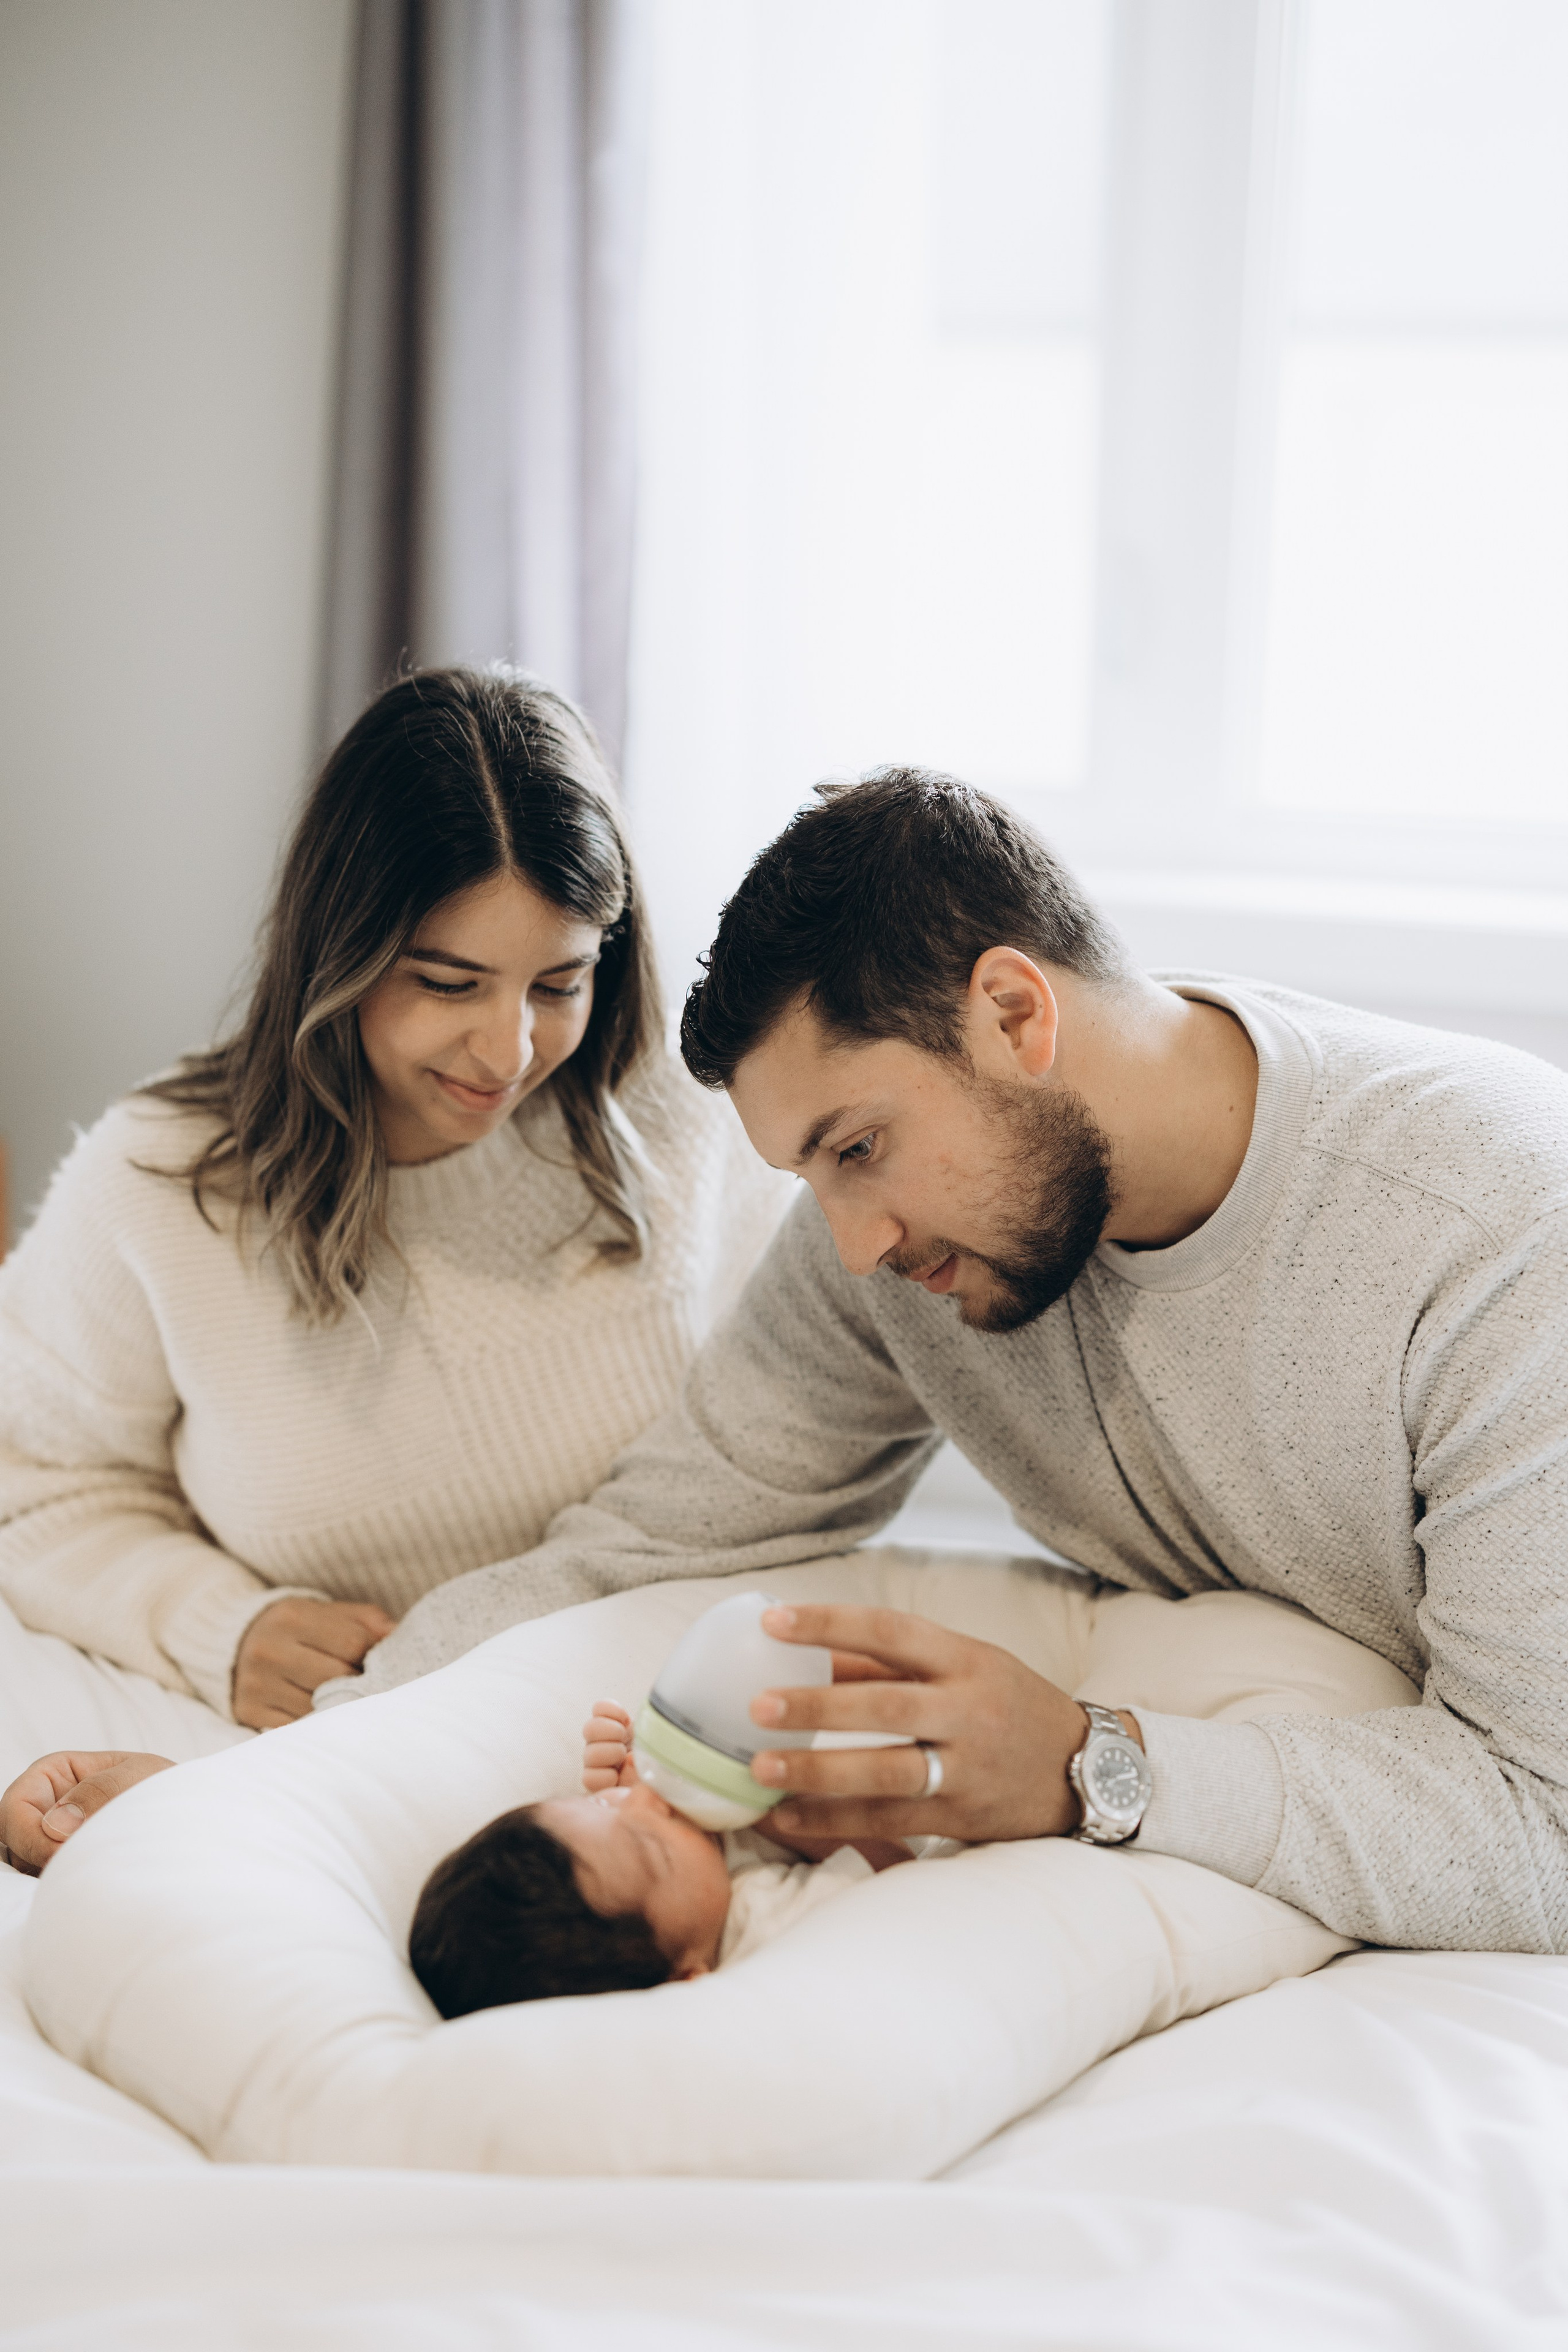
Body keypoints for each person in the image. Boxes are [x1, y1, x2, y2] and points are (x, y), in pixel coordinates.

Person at [339, 768, 1568, 1958]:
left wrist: (1088, 1766)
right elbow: (648, 1539)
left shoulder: (1497, 1226)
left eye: (858, 1147)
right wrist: (294, 1765)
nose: (853, 1246)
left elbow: (1545, 1823)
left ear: (1014, 1014)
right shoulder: (888, 1254)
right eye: (811, 1177)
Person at [0, 666, 785, 1787]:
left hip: (637, 1740)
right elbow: (26, 1480)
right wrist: (219, 1624)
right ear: (343, 954)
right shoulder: (162, 1185)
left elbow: (787, 1445)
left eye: (558, 984)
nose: (507, 1052)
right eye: (450, 983)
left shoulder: (678, 1110)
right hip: (334, 1750)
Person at [407, 1700, 916, 2018]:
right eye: (650, 1846)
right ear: (686, 1979)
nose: (648, 1801)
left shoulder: (694, 1883)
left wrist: (630, 1777)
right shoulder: (760, 1923)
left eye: (599, 1806)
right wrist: (762, 1808)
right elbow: (897, 1869)